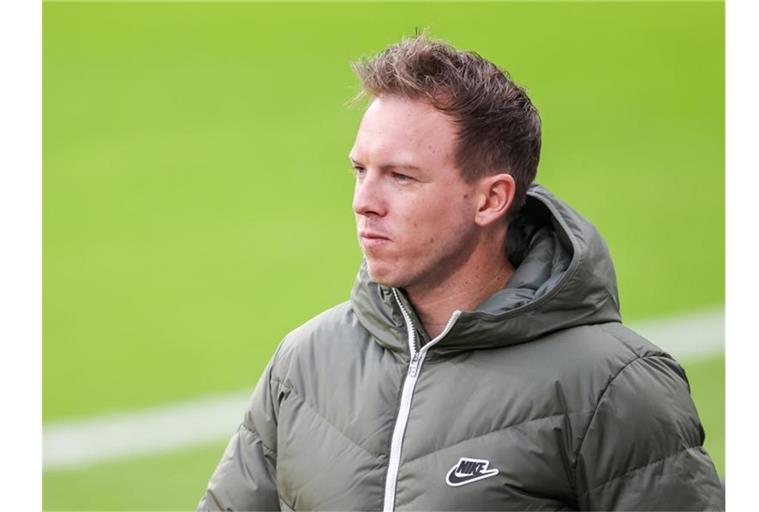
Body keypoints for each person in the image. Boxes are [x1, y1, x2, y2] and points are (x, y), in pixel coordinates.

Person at [198, 35, 724, 511]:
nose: (364, 202)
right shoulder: (305, 364)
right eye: (360, 170)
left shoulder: (613, 387)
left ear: (491, 199)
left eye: (401, 177)